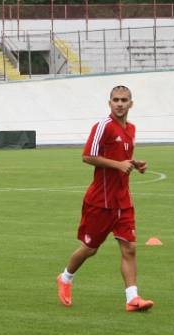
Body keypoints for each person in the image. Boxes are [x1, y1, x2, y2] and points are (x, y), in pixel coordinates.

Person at [56, 85, 153, 312]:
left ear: (131, 103)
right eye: (116, 100)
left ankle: (132, 298)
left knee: (129, 248)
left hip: (123, 201)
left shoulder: (131, 129)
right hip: (101, 201)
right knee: (90, 249)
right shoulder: (103, 126)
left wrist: (133, 163)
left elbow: (122, 158)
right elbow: (88, 156)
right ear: (109, 103)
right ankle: (65, 277)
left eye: (124, 100)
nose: (120, 104)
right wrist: (118, 165)